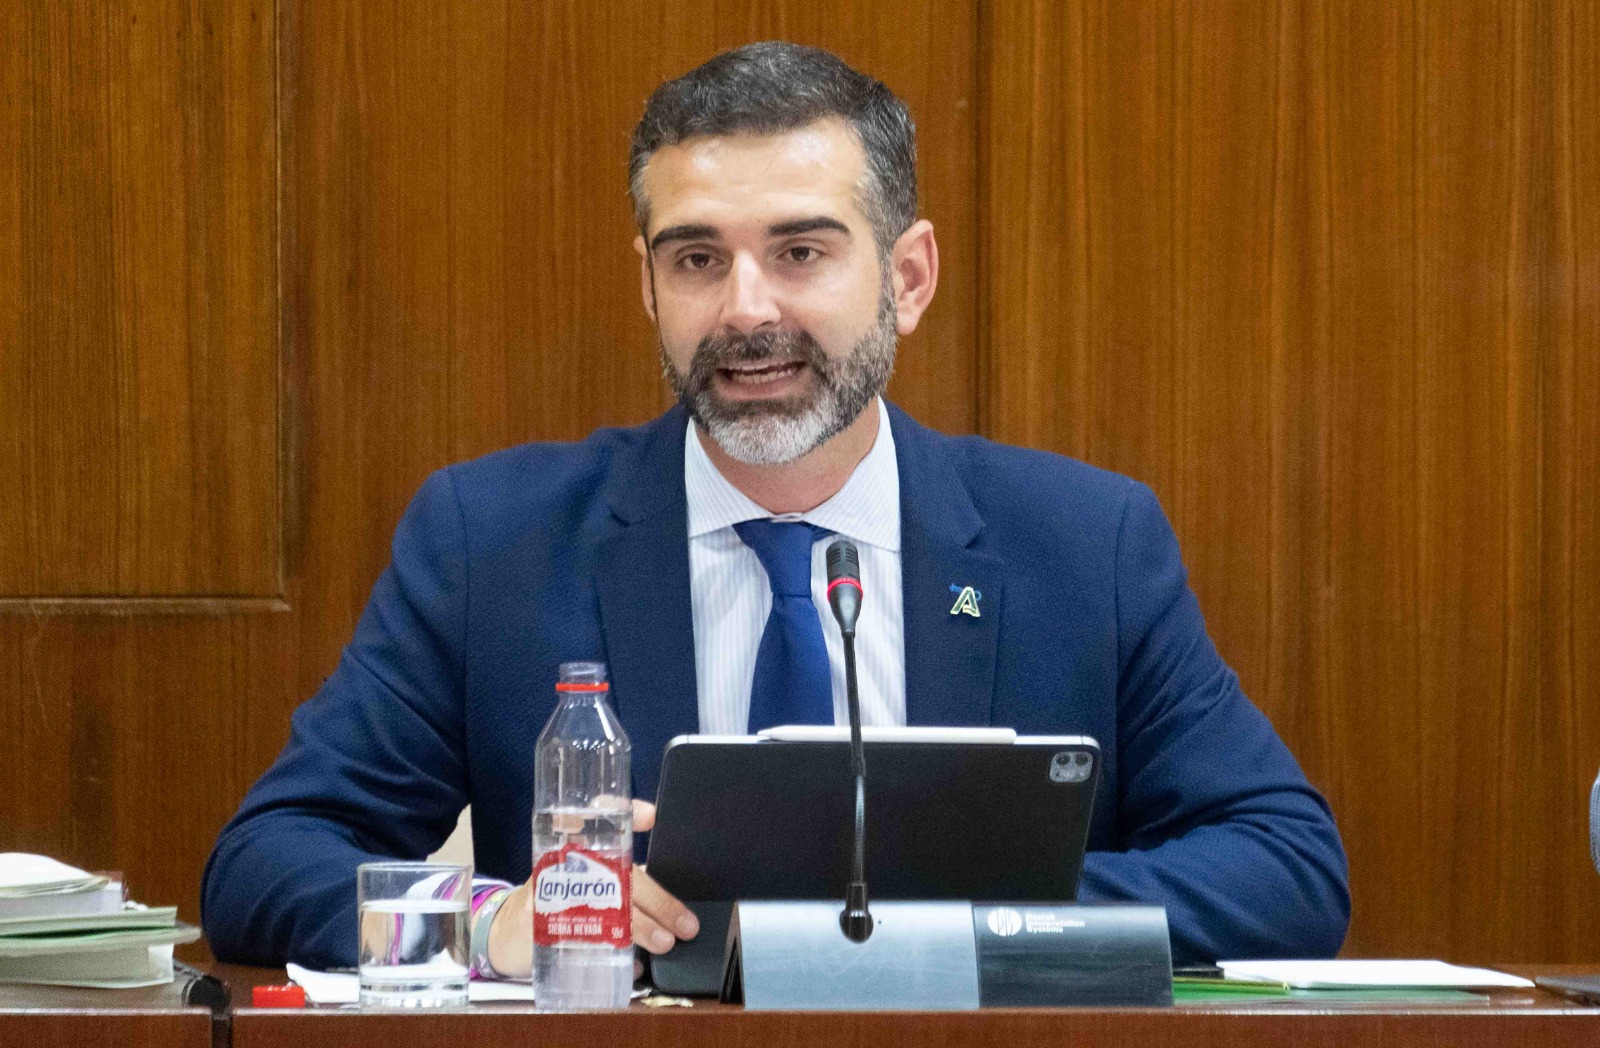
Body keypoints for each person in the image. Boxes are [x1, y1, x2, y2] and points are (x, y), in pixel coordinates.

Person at [203, 41, 1348, 975]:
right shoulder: (491, 541)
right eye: (697, 259)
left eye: (800, 250)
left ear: (907, 277)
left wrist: (927, 907)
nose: (748, 311)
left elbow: (1287, 869)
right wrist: (488, 922)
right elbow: (264, 866)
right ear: (648, 284)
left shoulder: (1082, 542)